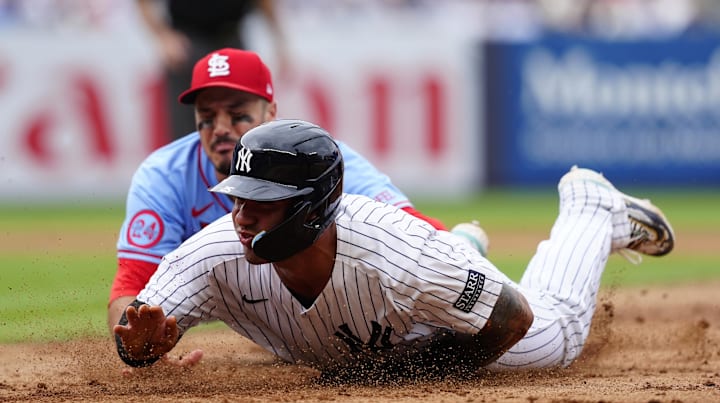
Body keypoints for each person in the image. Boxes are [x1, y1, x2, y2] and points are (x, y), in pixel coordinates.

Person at [113, 119, 675, 381]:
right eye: (237, 198)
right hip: (378, 310)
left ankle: (588, 206)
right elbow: (141, 332)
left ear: (313, 205)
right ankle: (461, 245)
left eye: (262, 200)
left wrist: (418, 373)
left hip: (439, 326)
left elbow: (514, 316)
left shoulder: (396, 252)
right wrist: (139, 349)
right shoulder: (211, 257)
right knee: (431, 271)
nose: (241, 216)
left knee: (559, 332)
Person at [107, 48, 487, 350]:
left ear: (270, 113)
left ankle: (469, 240)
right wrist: (138, 345)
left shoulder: (316, 163)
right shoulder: (165, 175)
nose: (220, 128)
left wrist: (459, 253)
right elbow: (131, 284)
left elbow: (417, 233)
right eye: (206, 117)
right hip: (255, 305)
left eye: (237, 115)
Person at [136, 0, 289, 140]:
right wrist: (164, 36)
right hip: (189, 43)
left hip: (231, 37)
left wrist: (279, 40)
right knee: (189, 132)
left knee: (245, 126)